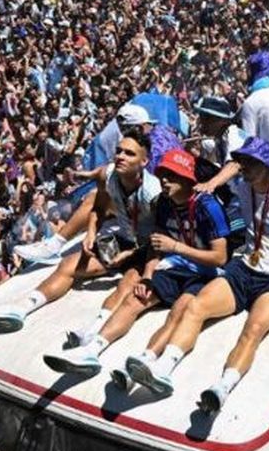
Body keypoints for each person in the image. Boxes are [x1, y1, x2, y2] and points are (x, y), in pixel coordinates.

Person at [122, 137, 269, 413]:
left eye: (252, 162)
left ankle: (223, 387)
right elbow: (232, 167)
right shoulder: (244, 187)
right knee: (195, 306)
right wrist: (214, 182)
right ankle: (165, 369)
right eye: (244, 162)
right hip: (246, 268)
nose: (245, 167)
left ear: (266, 166)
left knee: (253, 328)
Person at [45, 147, 233, 377]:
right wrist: (148, 276)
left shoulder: (208, 207)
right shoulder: (165, 202)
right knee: (135, 297)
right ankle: (92, 351)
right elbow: (156, 244)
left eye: (171, 175)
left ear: (186, 179)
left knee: (180, 312)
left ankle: (149, 362)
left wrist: (175, 247)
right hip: (177, 266)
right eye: (162, 174)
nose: (164, 180)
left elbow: (220, 258)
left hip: (206, 274)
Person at [0, 131, 160, 333]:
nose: (121, 156)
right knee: (68, 264)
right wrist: (90, 233)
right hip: (124, 239)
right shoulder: (109, 175)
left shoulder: (153, 193)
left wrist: (130, 255)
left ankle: (92, 333)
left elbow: (163, 238)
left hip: (149, 250)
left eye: (130, 154)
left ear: (144, 161)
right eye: (119, 151)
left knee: (129, 283)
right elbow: (98, 208)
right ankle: (20, 309)